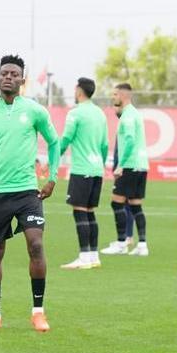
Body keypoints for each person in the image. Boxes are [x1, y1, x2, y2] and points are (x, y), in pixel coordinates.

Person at [0, 55, 60, 332]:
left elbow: (54, 142)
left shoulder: (34, 111)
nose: (8, 77)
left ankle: (38, 312)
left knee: (36, 245)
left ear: (22, 79)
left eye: (14, 73)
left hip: (27, 193)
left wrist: (52, 178)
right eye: (4, 73)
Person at [58, 77, 109, 270]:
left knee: (79, 212)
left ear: (79, 91)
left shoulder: (75, 113)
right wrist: (101, 165)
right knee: (89, 212)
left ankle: (84, 256)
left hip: (81, 169)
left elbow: (65, 139)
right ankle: (94, 256)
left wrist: (54, 161)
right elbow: (104, 145)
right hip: (97, 169)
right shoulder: (100, 114)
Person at [101, 82, 150, 256]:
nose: (112, 97)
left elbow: (129, 140)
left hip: (129, 165)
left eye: (114, 94)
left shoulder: (128, 115)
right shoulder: (135, 114)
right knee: (136, 205)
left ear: (122, 96)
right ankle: (142, 245)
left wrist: (121, 164)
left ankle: (121, 242)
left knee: (116, 202)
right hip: (141, 165)